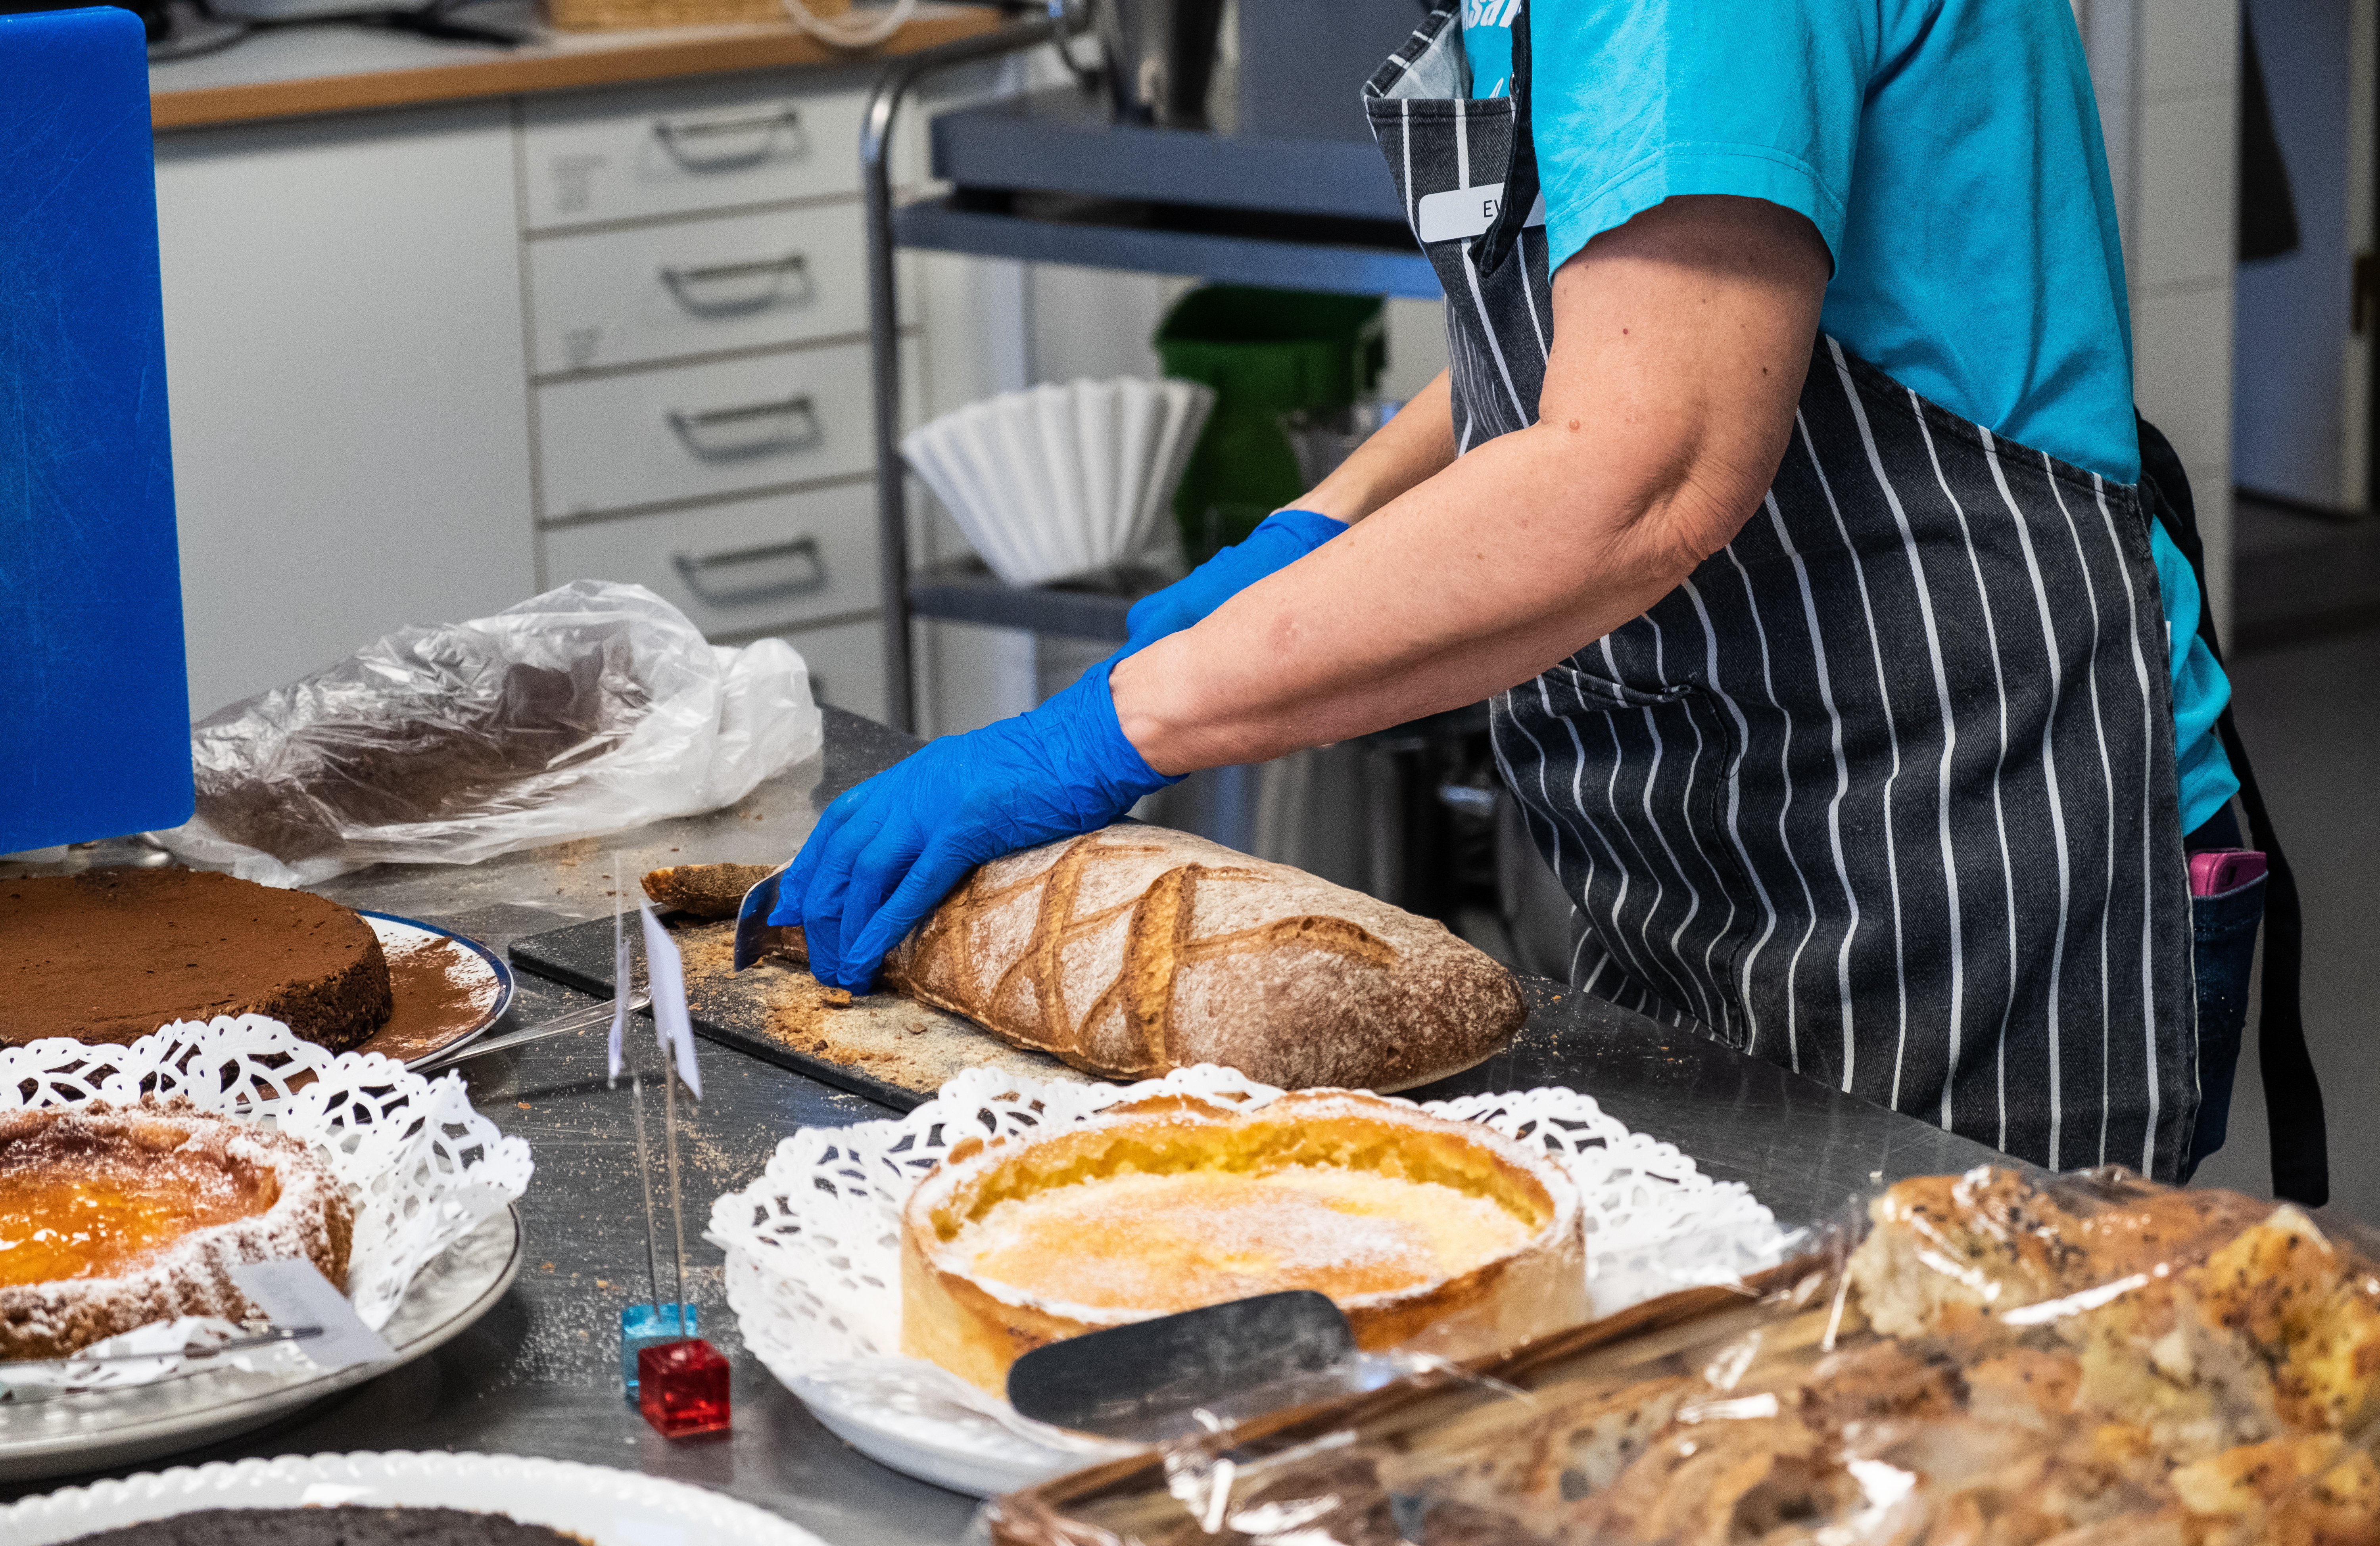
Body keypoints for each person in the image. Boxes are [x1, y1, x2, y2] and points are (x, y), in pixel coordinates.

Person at [775, 0, 2306, 1187]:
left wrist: (1091, 738)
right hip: (1734, 827)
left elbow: (1644, 466)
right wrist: (1330, 516)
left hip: (1975, 845)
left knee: (1934, 1465)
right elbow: (1638, 307)